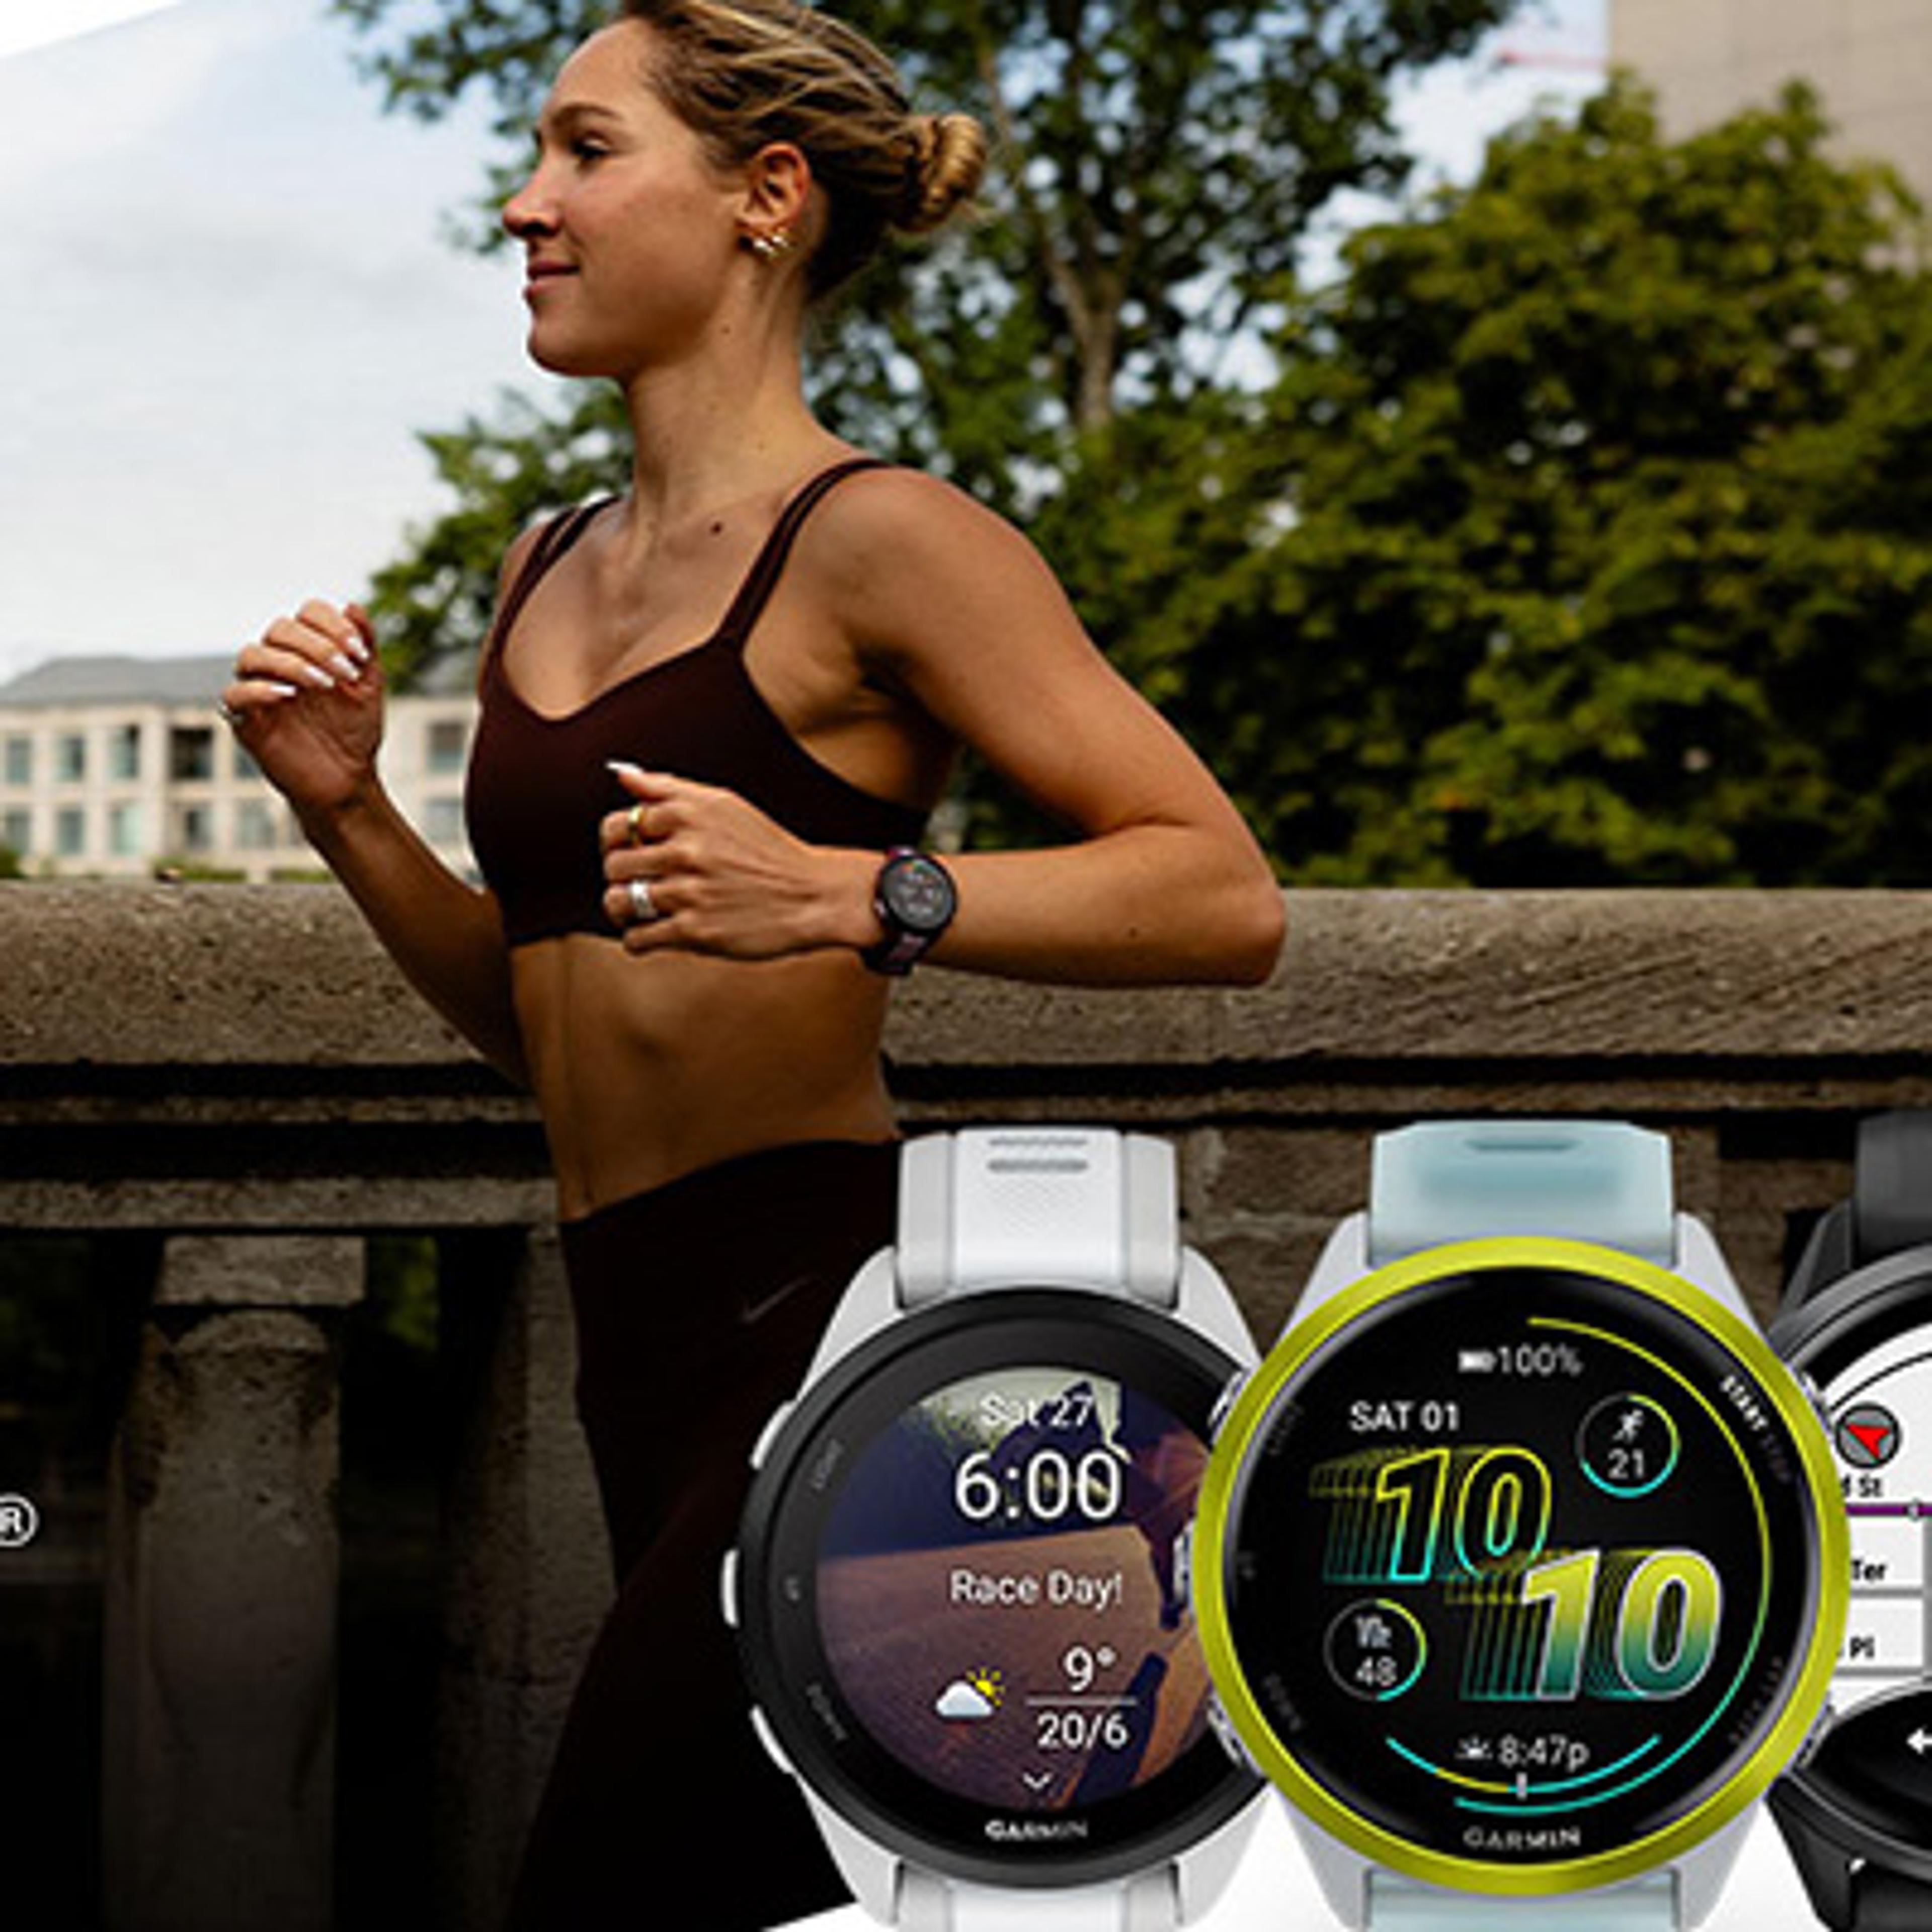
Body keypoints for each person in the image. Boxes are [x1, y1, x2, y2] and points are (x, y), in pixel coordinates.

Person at [223, 1, 1285, 1922]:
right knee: (772, 1893)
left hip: (825, 1324)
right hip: (630, 1322)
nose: (528, 205)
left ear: (764, 199)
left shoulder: (884, 540)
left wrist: (864, 894)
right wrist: (349, 811)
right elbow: (552, 1036)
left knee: (614, 1878)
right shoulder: (546, 559)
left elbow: (1224, 897)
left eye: (586, 151)